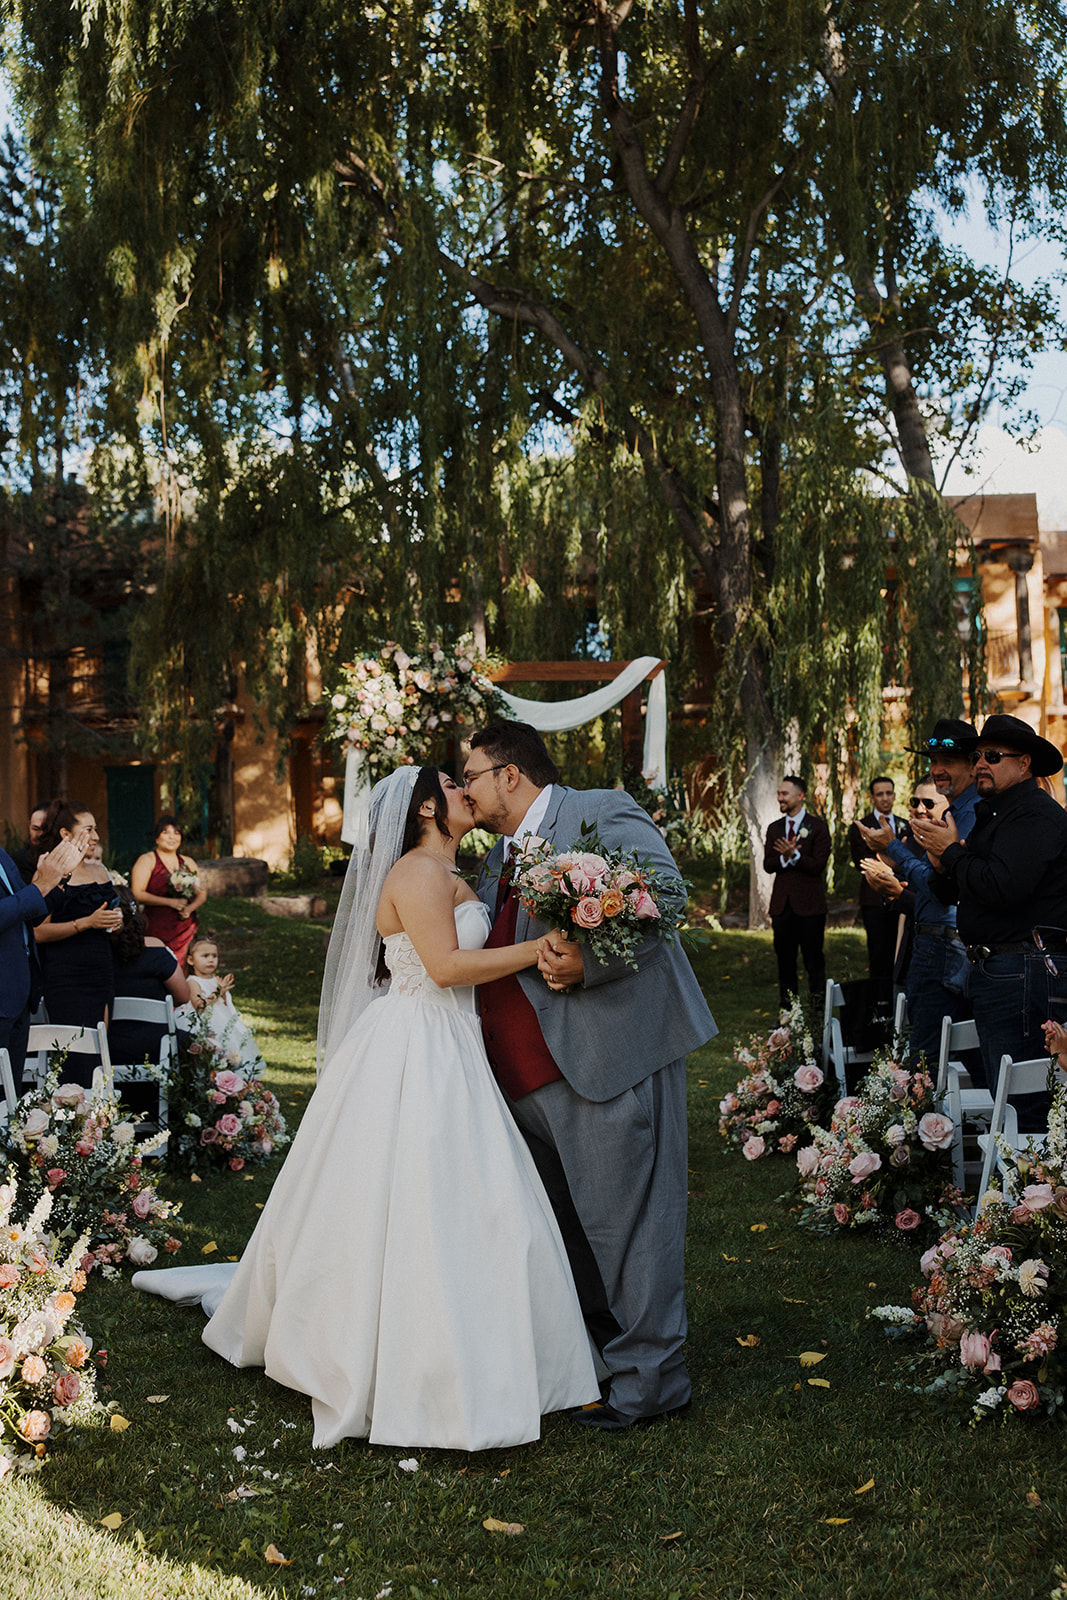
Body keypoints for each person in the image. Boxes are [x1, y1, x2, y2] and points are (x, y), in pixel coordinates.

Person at [133, 765, 598, 1451]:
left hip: (453, 1044)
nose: (465, 789)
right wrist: (536, 950)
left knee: (480, 1200)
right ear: (423, 812)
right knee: (411, 1193)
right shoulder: (413, 873)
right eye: (450, 783)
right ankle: (396, 1346)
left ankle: (496, 1342)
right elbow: (440, 968)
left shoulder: (453, 872)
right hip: (416, 1044)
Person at [463, 721, 717, 1432]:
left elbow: (663, 895)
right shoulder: (492, 858)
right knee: (569, 1230)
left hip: (606, 1056)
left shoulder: (598, 810)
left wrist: (589, 960)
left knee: (632, 1227)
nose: (466, 787)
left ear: (509, 773)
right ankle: (603, 1357)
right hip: (521, 1079)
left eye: (471, 773)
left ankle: (652, 1383)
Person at [913, 713, 1067, 1128]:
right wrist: (944, 861)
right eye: (978, 754)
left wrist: (953, 854)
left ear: (1025, 764)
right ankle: (1017, 1186)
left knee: (1026, 1100)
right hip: (996, 971)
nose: (980, 763)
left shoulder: (1035, 815)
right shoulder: (994, 815)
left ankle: (1034, 1189)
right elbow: (963, 888)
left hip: (1022, 972)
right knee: (1007, 1097)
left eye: (993, 756)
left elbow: (1003, 887)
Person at [859, 720, 980, 1066]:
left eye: (949, 761)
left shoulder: (970, 813)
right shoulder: (960, 809)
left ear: (973, 764)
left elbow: (945, 884)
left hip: (945, 944)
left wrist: (893, 850)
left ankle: (936, 1120)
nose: (938, 770)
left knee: (925, 1062)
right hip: (940, 942)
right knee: (948, 1057)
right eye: (933, 761)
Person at [33, 801, 124, 1082]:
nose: (96, 836)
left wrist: (115, 922)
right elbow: (37, 932)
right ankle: (74, 1120)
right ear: (65, 835)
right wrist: (86, 923)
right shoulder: (49, 872)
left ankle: (100, 1120)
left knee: (100, 1051)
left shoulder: (101, 871)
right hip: (66, 975)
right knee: (74, 1056)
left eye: (96, 829)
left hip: (101, 970)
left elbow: (105, 920)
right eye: (89, 829)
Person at [0, 826, 87, 1094]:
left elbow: (28, 914)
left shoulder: (2, 855)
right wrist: (41, 884)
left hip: (18, 994)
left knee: (9, 1099)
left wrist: (57, 879)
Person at [763, 775, 831, 1009]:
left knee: (814, 963)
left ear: (800, 796)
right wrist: (783, 857)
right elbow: (768, 864)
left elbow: (818, 866)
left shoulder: (818, 827)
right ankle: (787, 1015)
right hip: (782, 907)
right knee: (785, 964)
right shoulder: (774, 829)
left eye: (785, 794)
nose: (780, 798)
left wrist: (796, 856)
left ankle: (817, 1014)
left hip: (810, 907)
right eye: (779, 793)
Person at [110, 887, 191, 1065]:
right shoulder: (156, 950)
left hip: (108, 1048)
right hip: (157, 1048)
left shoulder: (94, 955)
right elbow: (184, 996)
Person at [849, 777, 909, 994]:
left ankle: (898, 1001)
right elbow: (864, 863)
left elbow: (911, 860)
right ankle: (879, 1004)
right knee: (878, 951)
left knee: (901, 950)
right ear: (872, 797)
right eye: (880, 794)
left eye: (889, 793)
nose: (885, 798)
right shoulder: (860, 827)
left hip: (903, 895)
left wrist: (884, 857)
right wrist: (899, 858)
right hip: (874, 899)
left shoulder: (906, 824)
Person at [173, 932, 263, 1072]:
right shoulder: (192, 981)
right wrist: (218, 992)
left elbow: (226, 1005)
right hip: (202, 1024)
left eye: (214, 956)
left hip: (222, 1021)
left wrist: (225, 993)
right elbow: (200, 1006)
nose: (211, 960)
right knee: (208, 1053)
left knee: (228, 1051)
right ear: (191, 960)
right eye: (205, 956)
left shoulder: (216, 980)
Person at [131, 816, 207, 969]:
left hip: (185, 928)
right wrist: (170, 902)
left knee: (186, 969)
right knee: (160, 967)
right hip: (156, 926)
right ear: (157, 837)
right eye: (166, 832)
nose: (172, 837)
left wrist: (189, 909)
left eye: (176, 833)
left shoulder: (188, 862)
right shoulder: (147, 860)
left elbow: (201, 893)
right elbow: (137, 893)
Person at [10, 801, 48, 881]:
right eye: (35, 829)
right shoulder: (17, 861)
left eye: (45, 829)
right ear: (29, 825)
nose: (40, 835)